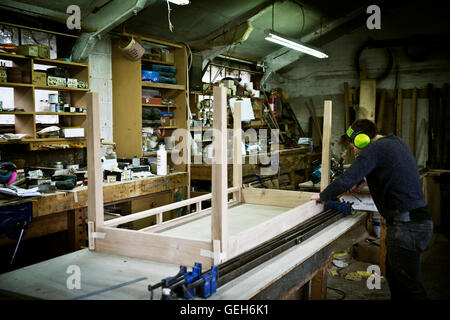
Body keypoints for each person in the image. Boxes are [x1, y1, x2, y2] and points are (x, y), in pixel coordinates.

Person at [311, 119, 433, 300]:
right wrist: (362, 181)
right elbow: (387, 168)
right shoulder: (393, 142)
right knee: (396, 279)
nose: (354, 150)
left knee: (409, 289)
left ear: (362, 139)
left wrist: (323, 196)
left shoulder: (373, 149)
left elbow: (347, 177)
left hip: (406, 227)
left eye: (354, 146)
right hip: (416, 222)